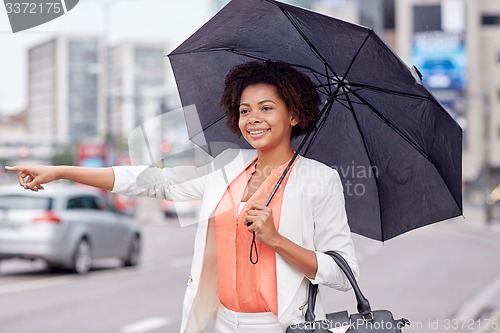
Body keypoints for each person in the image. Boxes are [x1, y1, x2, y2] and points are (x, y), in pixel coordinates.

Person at [6, 60, 359, 333]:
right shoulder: (228, 166)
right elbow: (152, 181)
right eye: (244, 110)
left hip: (282, 325)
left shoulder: (319, 179)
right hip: (221, 322)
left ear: (294, 113)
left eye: (267, 108)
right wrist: (62, 171)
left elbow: (343, 274)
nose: (253, 119)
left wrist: (276, 240)